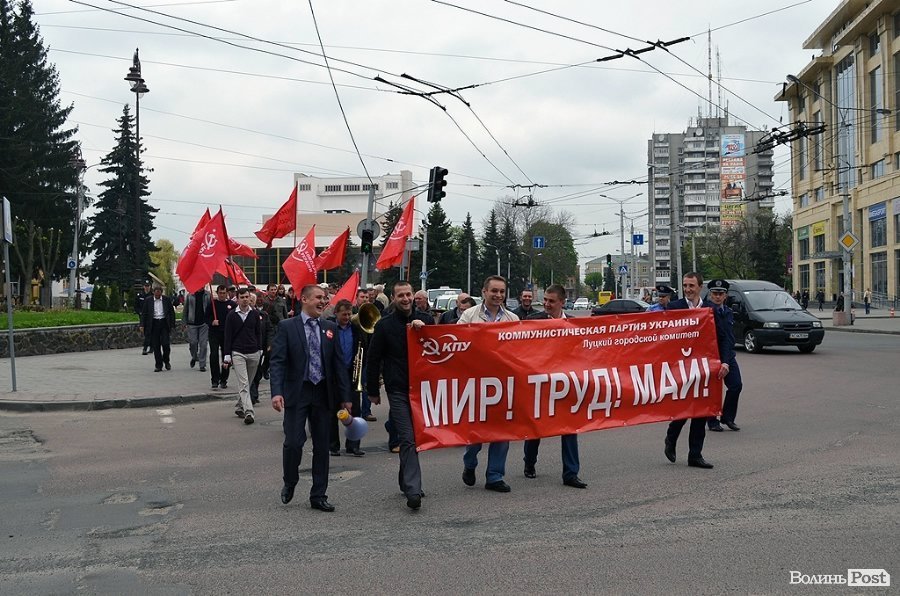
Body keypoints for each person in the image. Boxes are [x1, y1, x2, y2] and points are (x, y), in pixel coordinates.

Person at [270, 284, 352, 512]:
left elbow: (338, 365)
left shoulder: (330, 328)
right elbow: (277, 362)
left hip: (323, 393)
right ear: (304, 299)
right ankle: (290, 480)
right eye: (318, 297)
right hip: (298, 392)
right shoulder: (287, 327)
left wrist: (346, 397)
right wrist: (277, 392)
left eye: (324, 298)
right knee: (294, 442)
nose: (323, 301)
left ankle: (318, 495)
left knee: (322, 446)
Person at [366, 281, 432, 509]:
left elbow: (439, 348)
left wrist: (424, 330)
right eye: (400, 295)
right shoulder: (384, 325)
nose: (405, 299)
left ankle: (406, 481)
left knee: (414, 438)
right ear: (393, 298)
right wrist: (372, 391)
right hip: (398, 389)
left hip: (422, 390)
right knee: (407, 438)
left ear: (414, 296)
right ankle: (413, 490)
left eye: (408, 294)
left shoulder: (427, 319)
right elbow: (373, 358)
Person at [458, 275, 520, 492]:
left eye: (502, 291)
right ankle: (469, 463)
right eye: (494, 291)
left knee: (502, 432)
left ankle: (495, 476)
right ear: (484, 292)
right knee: (476, 434)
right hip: (476, 384)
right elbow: (456, 343)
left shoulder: (512, 318)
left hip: (504, 384)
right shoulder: (469, 316)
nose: (498, 295)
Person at [522, 284, 587, 488]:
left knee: (570, 428)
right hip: (541, 384)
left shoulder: (574, 324)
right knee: (537, 427)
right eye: (545, 300)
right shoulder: (533, 321)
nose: (547, 304)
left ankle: (571, 473)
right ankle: (529, 462)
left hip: (566, 384)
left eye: (551, 301)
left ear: (562, 302)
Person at [663, 272, 728, 469]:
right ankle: (671, 437)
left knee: (701, 412)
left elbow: (723, 338)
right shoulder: (674, 307)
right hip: (681, 368)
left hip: (704, 368)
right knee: (683, 409)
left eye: (691, 285)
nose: (688, 289)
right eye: (685, 285)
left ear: (700, 287)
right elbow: (663, 337)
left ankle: (695, 455)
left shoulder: (710, 309)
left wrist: (725, 362)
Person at [328, 299, 367, 457]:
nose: (347, 317)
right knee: (333, 411)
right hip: (334, 374)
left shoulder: (356, 329)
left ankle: (353, 445)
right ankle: (333, 445)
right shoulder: (330, 328)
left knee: (355, 410)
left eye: (349, 314)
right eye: (343, 314)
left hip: (352, 372)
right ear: (336, 313)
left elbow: (363, 347)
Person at [704, 280, 743, 433]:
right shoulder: (706, 311)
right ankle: (712, 420)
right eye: (715, 293)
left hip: (727, 355)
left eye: (721, 294)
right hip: (712, 355)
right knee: (713, 390)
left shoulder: (727, 311)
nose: (718, 296)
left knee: (736, 385)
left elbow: (728, 336)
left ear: (725, 295)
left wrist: (726, 360)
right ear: (710, 295)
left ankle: (727, 417)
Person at [223, 287, 263, 425]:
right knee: (244, 383)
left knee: (248, 383)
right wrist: (227, 355)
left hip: (254, 352)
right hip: (238, 352)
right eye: (242, 297)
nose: (245, 300)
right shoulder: (232, 315)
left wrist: (260, 349)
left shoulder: (255, 314)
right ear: (237, 299)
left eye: (247, 297)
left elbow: (258, 332)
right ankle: (249, 412)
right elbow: (227, 336)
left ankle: (240, 406)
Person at [139, 283, 175, 372]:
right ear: (153, 292)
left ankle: (166, 360)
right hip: (154, 324)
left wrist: (172, 324)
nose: (157, 294)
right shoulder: (148, 300)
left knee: (166, 344)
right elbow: (144, 313)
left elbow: (171, 313)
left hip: (164, 323)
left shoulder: (166, 300)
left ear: (161, 292)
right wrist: (142, 325)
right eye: (156, 292)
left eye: (159, 292)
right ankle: (158, 365)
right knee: (156, 346)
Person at [249, 292, 276, 407]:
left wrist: (269, 343)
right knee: (249, 373)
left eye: (251, 300)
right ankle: (251, 395)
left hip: (260, 347)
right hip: (246, 348)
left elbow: (269, 330)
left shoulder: (263, 315)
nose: (249, 302)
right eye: (248, 299)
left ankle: (254, 393)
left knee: (257, 372)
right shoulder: (240, 315)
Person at [207, 284, 236, 390]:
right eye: (220, 293)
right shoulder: (212, 304)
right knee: (214, 355)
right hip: (214, 333)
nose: (222, 295)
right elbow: (206, 317)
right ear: (217, 293)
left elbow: (236, 318)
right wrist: (212, 322)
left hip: (227, 334)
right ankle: (215, 380)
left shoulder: (232, 305)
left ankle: (224, 379)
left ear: (227, 293)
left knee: (226, 356)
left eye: (224, 293)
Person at [182, 287, 210, 372]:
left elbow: (211, 308)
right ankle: (194, 356)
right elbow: (185, 309)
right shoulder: (190, 295)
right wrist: (184, 323)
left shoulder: (208, 295)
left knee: (203, 344)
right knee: (193, 342)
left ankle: (202, 364)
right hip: (192, 323)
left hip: (204, 323)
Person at [135, 281, 153, 355]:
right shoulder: (140, 295)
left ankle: (146, 348)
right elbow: (136, 306)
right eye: (145, 286)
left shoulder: (152, 295)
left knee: (149, 332)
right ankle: (151, 346)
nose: (147, 287)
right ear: (143, 287)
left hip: (150, 317)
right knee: (146, 332)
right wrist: (139, 312)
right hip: (142, 316)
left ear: (150, 287)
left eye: (148, 286)